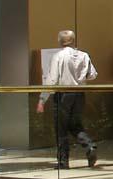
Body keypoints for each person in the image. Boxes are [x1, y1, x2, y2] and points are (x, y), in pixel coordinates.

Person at [36, 30, 99, 169]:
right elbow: (93, 75)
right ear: (73, 40)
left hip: (63, 95)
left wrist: (42, 99)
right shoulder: (84, 55)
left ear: (60, 41)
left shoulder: (58, 56)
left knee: (61, 129)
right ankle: (89, 145)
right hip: (79, 94)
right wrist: (80, 77)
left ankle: (63, 162)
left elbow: (52, 79)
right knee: (75, 125)